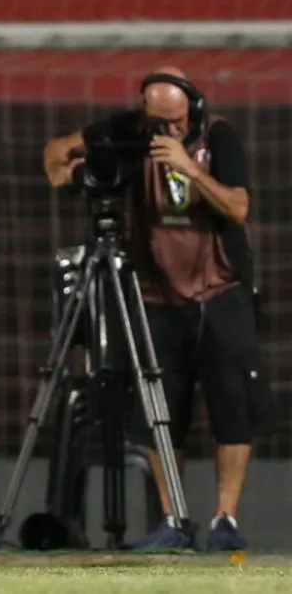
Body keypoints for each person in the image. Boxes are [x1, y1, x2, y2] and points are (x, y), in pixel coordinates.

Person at [43, 66, 275, 551]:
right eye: (159, 122)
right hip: (156, 296)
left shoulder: (220, 136)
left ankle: (224, 520)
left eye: (175, 122)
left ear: (192, 107)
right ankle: (173, 517)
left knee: (233, 407)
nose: (166, 131)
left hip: (220, 291)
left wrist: (190, 167)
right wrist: (62, 173)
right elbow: (60, 148)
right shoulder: (132, 131)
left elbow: (237, 207)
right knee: (159, 413)